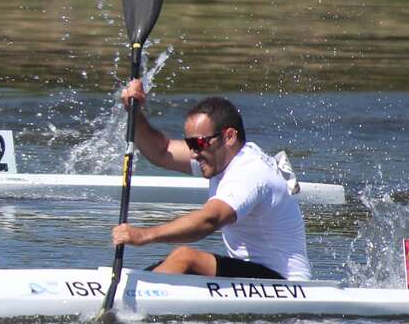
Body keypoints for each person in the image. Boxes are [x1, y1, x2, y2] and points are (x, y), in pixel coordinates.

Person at [110, 80, 311, 281]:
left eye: (198, 143)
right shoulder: (217, 156)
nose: (193, 153)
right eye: (190, 144)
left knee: (185, 258)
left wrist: (143, 235)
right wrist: (134, 112)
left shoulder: (250, 173)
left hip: (285, 283)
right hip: (250, 276)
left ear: (229, 136)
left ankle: (130, 303)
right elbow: (161, 151)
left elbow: (209, 220)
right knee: (167, 264)